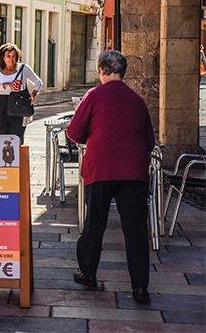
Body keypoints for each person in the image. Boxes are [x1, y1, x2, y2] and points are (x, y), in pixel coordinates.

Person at [66, 50, 154, 305]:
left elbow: (74, 132)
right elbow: (149, 140)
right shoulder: (137, 100)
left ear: (101, 71)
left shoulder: (93, 96)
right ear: (123, 72)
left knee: (95, 222)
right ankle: (140, 287)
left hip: (101, 168)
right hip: (133, 171)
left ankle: (88, 273)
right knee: (135, 230)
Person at [0, 43, 43, 144]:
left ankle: (16, 158)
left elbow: (38, 82)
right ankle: (0, 158)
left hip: (18, 105)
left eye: (13, 56)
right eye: (8, 56)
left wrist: (34, 94)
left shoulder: (23, 69)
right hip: (1, 105)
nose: (11, 59)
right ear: (2, 57)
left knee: (16, 135)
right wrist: (5, 85)